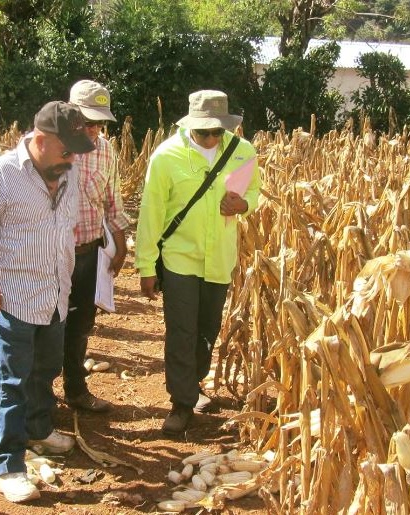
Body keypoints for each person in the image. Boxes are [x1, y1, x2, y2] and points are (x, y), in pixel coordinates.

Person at [0, 101, 95, 503]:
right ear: (40, 139)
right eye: (66, 148)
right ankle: (8, 463)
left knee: (46, 368)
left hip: (55, 293)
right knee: (11, 379)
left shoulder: (68, 173)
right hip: (15, 297)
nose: (72, 157)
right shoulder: (2, 174)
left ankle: (38, 428)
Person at [135, 90, 262, 436]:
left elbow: (257, 192)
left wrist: (244, 205)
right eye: (204, 131)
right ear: (190, 125)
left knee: (207, 329)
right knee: (181, 330)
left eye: (217, 131)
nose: (210, 138)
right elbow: (151, 213)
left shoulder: (242, 152)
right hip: (179, 257)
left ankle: (193, 385)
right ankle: (181, 402)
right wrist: (146, 266)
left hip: (219, 257)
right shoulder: (166, 157)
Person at [62, 79, 130, 412]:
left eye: (99, 122)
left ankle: (75, 390)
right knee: (46, 326)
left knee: (80, 325)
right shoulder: (48, 145)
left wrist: (120, 241)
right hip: (49, 257)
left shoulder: (105, 150)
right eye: (87, 121)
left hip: (88, 252)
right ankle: (40, 398)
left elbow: (111, 199)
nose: (93, 129)